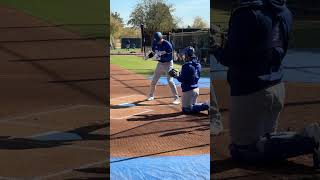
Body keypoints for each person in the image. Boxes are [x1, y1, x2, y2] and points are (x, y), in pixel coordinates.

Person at [212, 0, 320, 167]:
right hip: (276, 87)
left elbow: (231, 57)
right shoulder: (284, 10)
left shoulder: (246, 12)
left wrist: (217, 48)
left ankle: (309, 139)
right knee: (262, 142)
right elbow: (266, 44)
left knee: (242, 151)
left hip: (249, 93)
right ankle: (305, 138)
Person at [170, 46, 209, 114]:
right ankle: (205, 105)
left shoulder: (186, 66)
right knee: (192, 106)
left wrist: (176, 76)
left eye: (185, 54)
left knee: (186, 109)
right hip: (196, 89)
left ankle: (208, 106)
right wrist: (180, 74)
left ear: (188, 55)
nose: (184, 56)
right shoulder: (198, 64)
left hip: (189, 91)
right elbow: (191, 75)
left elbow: (182, 79)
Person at [147, 32, 180, 105]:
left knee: (170, 81)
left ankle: (176, 98)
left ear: (161, 38)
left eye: (158, 40)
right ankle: (151, 95)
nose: (157, 42)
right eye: (156, 40)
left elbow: (168, 57)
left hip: (168, 63)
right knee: (154, 80)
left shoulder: (167, 45)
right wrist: (148, 56)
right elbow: (153, 52)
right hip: (160, 64)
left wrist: (158, 56)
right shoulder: (155, 43)